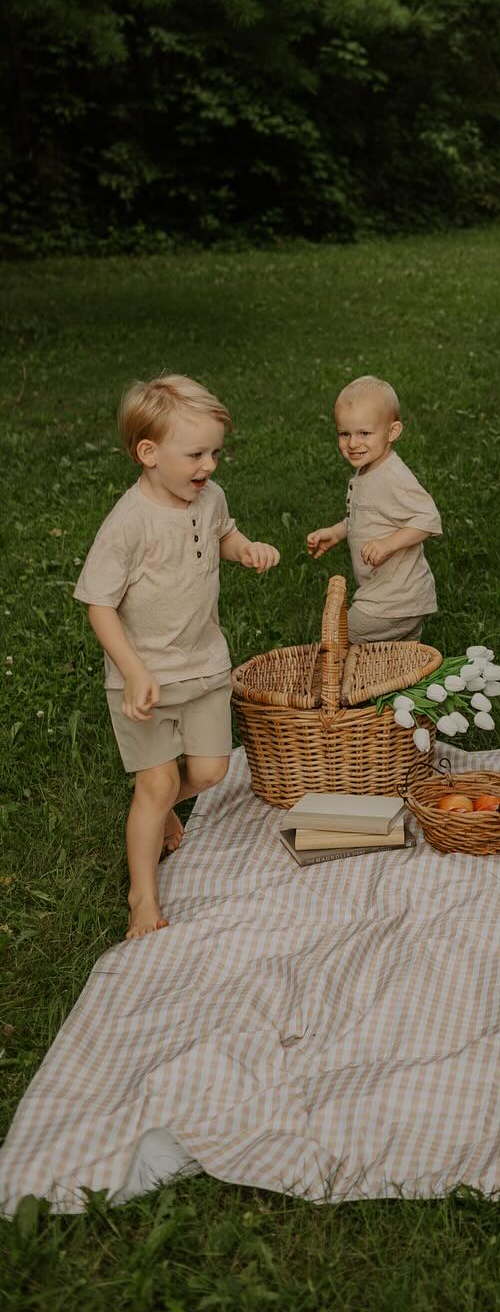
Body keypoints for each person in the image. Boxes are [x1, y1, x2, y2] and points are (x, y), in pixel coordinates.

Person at [74, 374, 280, 940]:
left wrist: (246, 551)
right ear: (148, 453)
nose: (209, 464)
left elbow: (223, 535)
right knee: (157, 784)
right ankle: (144, 893)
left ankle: (164, 802)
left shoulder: (208, 497)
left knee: (211, 771)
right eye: (195, 453)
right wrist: (134, 669)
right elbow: (98, 604)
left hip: (205, 665)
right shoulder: (128, 524)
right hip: (144, 683)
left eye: (215, 451)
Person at [306, 376, 442, 643]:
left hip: (393, 599)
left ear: (392, 432)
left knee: (337, 641)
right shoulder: (367, 469)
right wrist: (336, 532)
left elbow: (428, 518)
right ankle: (401, 679)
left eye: (364, 433)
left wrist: (388, 544)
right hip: (391, 595)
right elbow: (367, 515)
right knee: (397, 659)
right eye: (345, 434)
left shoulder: (392, 476)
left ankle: (332, 684)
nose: (353, 443)